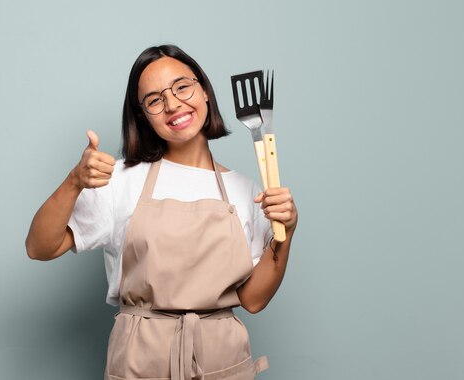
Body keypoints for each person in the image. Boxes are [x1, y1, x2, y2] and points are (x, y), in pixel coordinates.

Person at [25, 44, 298, 379]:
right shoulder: (121, 180)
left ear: (204, 91)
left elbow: (253, 300)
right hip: (142, 357)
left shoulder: (247, 191)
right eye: (154, 100)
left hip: (221, 358)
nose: (172, 104)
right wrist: (73, 182)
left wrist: (284, 237)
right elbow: (40, 247)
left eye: (182, 87)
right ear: (142, 115)